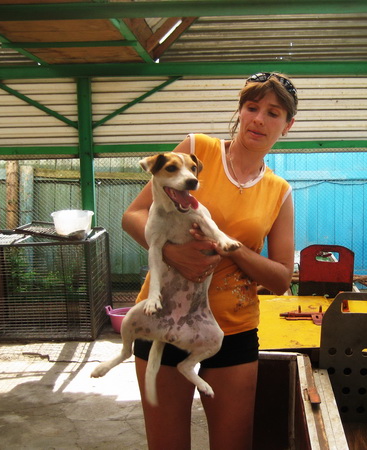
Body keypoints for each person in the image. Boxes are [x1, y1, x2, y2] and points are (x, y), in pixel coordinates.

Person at [122, 72, 298, 449]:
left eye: (273, 113)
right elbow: (134, 215)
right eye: (252, 107)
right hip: (164, 319)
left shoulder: (279, 191)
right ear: (240, 110)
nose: (258, 119)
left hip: (231, 329)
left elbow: (281, 278)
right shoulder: (196, 149)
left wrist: (230, 248)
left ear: (288, 125)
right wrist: (171, 253)